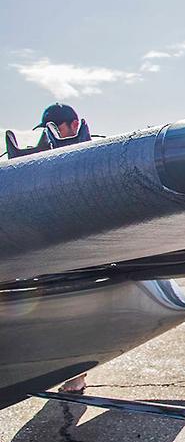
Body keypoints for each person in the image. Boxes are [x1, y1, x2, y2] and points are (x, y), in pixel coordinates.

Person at [34, 103, 90, 394]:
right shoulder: (39, 163)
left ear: (74, 124)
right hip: (52, 256)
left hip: (82, 255)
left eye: (57, 126)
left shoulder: (92, 156)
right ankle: (70, 372)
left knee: (75, 312)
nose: (50, 133)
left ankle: (76, 374)